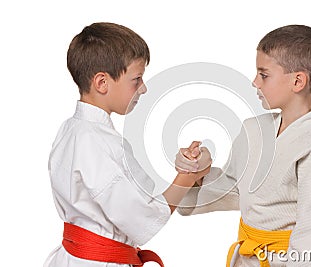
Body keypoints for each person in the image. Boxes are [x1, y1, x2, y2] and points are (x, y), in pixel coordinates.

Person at [175, 25, 311, 267]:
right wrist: (198, 173)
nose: (255, 82)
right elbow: (238, 192)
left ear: (298, 81)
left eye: (264, 74)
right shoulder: (254, 130)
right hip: (246, 260)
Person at [44, 22, 211, 267]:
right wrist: (186, 177)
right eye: (136, 79)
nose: (143, 88)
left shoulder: (71, 130)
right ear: (102, 83)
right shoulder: (96, 142)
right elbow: (140, 216)